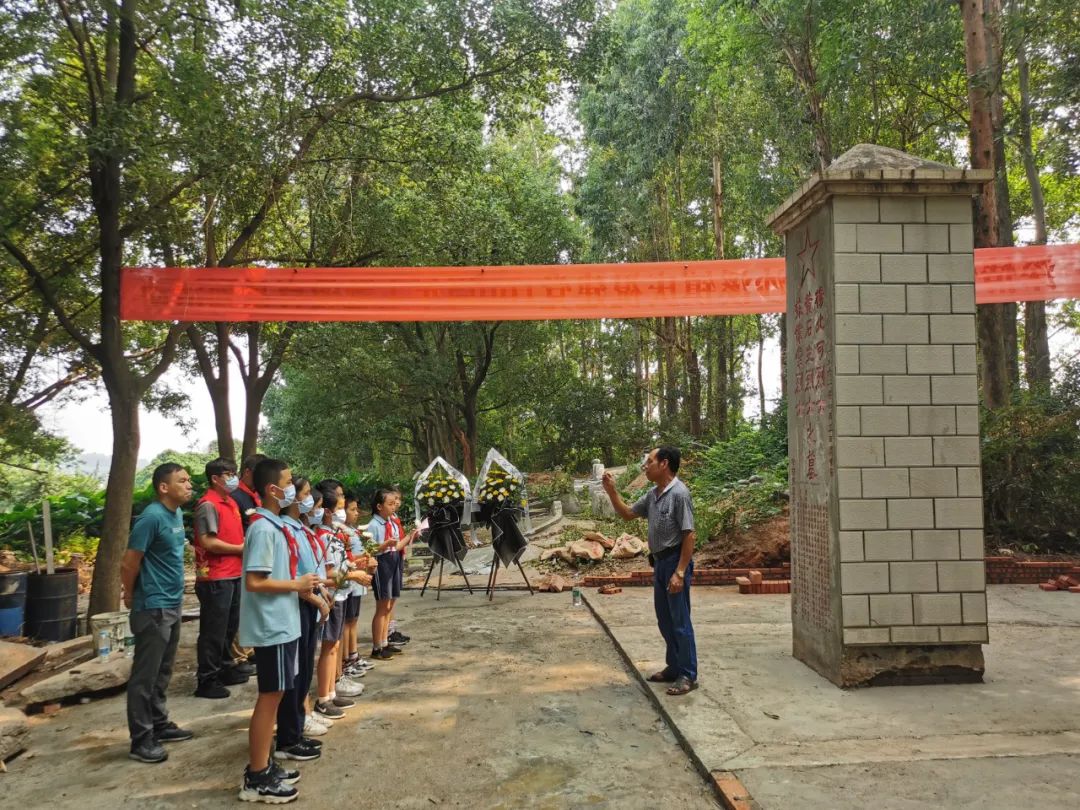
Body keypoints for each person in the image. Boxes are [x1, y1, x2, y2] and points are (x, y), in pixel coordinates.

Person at [237, 458, 317, 803]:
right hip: (272, 626)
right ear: (272, 490)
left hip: (284, 623)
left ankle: (264, 764)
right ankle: (256, 776)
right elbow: (255, 581)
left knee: (278, 693)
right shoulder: (264, 529)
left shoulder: (274, 526)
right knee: (270, 696)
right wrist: (297, 584)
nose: (292, 489)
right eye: (287, 483)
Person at [602, 446, 698, 696]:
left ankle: (688, 674)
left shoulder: (679, 494)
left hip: (675, 562)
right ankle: (674, 666)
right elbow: (627, 514)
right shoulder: (653, 495)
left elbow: (689, 534)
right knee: (665, 620)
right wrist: (612, 492)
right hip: (660, 562)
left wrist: (680, 572)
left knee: (680, 621)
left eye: (650, 461)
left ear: (664, 464)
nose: (645, 466)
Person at [121, 462, 195, 763]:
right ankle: (141, 740)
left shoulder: (175, 514)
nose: (189, 485)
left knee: (163, 670)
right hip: (152, 605)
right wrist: (130, 595)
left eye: (189, 480)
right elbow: (129, 563)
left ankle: (159, 724)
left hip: (173, 602)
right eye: (182, 481)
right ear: (164, 487)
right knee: (145, 675)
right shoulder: (150, 518)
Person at [277, 476, 332, 755]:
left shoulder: (299, 528)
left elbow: (311, 570)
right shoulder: (283, 529)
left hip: (309, 602)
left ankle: (297, 728)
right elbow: (292, 576)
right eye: (307, 493)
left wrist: (321, 592)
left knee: (305, 669)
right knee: (295, 673)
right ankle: (288, 737)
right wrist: (316, 599)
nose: (310, 500)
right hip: (297, 605)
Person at [193, 457, 249, 700]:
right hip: (215, 576)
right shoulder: (208, 505)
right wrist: (240, 549)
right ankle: (207, 679)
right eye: (228, 474)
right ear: (215, 479)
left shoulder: (230, 502)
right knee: (213, 630)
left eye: (234, 473)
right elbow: (207, 541)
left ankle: (226, 667)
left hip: (234, 572)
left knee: (229, 626)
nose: (233, 477)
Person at [368, 488, 405, 660]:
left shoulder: (391, 522)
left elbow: (396, 546)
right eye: (390, 504)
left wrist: (411, 536)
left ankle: (384, 642)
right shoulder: (374, 525)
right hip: (382, 564)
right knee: (382, 607)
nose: (393, 506)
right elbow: (369, 550)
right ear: (379, 506)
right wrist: (384, 545)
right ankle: (377, 647)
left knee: (389, 606)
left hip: (393, 561)